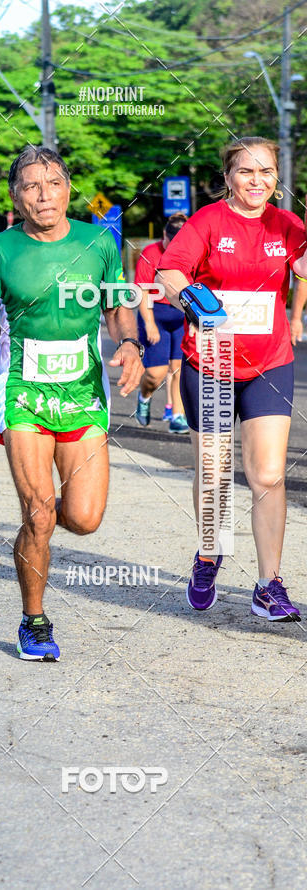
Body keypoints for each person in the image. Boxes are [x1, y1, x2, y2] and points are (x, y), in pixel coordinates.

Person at [0, 146, 144, 661]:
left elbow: (118, 307)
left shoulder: (98, 243)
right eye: (31, 185)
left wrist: (129, 344)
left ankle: (33, 527)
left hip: (85, 390)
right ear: (15, 196)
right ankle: (34, 620)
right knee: (41, 512)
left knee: (84, 519)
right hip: (22, 386)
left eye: (54, 183)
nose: (44, 195)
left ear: (69, 187)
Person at [156, 136, 307, 623]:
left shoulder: (287, 225)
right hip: (212, 362)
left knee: (267, 474)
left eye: (267, 172)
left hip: (270, 362)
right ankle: (208, 555)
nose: (257, 180)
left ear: (277, 178)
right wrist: (191, 299)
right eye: (247, 171)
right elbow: (170, 270)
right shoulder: (207, 222)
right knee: (216, 474)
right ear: (228, 177)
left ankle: (269, 584)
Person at [135, 213, 189, 435]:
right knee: (156, 374)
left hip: (180, 316)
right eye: (170, 242)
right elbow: (142, 292)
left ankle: (177, 416)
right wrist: (149, 324)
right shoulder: (150, 253)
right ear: (164, 235)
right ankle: (144, 397)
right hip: (155, 314)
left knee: (179, 370)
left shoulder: (190, 253)